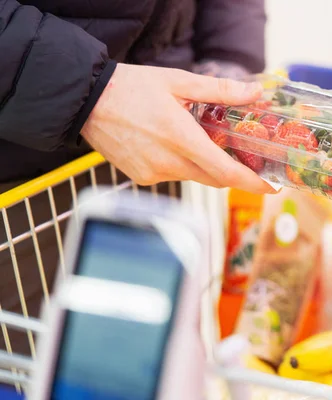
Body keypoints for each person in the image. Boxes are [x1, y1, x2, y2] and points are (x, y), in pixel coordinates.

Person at [0, 0, 275, 360]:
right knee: (32, 372)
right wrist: (91, 94)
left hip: (157, 143)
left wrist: (228, 54)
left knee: (139, 362)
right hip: (20, 182)